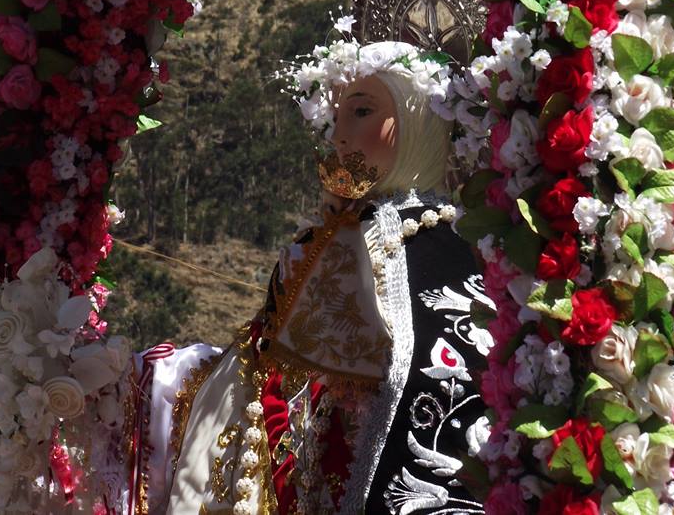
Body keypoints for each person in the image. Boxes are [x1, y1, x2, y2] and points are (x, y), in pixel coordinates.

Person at [127, 34, 495, 515]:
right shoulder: (341, 234)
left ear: (418, 122)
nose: (339, 136)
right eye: (336, 118)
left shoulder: (460, 243)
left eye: (361, 112)